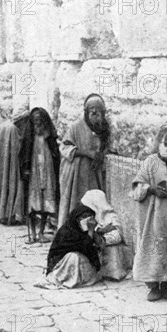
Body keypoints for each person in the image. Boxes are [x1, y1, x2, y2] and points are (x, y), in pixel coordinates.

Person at [130, 123, 167, 302]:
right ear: (160, 141)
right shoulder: (151, 162)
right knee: (153, 250)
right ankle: (154, 286)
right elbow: (137, 186)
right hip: (154, 217)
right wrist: (152, 189)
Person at [58, 93, 112, 227]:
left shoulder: (102, 128)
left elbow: (105, 148)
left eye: (97, 109)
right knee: (76, 204)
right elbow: (64, 147)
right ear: (86, 111)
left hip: (93, 174)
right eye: (91, 109)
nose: (94, 112)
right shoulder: (76, 126)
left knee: (92, 204)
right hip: (76, 174)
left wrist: (99, 156)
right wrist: (87, 153)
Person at [39, 204, 103, 289]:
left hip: (79, 262)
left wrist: (93, 231)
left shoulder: (84, 230)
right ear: (77, 219)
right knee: (75, 257)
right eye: (84, 217)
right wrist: (90, 231)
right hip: (60, 261)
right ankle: (64, 278)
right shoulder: (67, 231)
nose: (88, 219)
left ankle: (81, 278)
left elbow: (98, 244)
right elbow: (84, 246)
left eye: (90, 217)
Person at [20, 107, 60, 244]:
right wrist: (24, 168)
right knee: (32, 204)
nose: (38, 123)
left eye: (40, 120)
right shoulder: (28, 137)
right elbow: (23, 155)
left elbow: (56, 154)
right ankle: (32, 234)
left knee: (45, 205)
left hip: (47, 173)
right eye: (35, 120)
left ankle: (42, 232)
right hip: (33, 174)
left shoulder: (49, 137)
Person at [0, 107, 29, 226]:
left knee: (4, 187)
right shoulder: (13, 129)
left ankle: (4, 214)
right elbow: (17, 149)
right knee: (13, 187)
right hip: (12, 165)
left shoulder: (5, 125)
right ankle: (11, 215)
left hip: (1, 164)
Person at [80, 190, 128, 281]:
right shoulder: (89, 216)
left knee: (112, 249)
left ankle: (111, 274)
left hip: (107, 245)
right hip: (95, 244)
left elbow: (117, 235)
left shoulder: (111, 217)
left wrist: (100, 236)